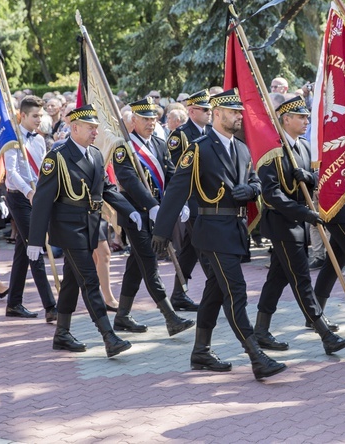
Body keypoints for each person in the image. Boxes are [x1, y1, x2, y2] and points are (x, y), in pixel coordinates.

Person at [152, 89, 286, 380]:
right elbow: (177, 190)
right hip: (211, 231)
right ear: (217, 113)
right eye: (234, 112)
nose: (239, 116)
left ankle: (201, 350)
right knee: (235, 291)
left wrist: (250, 190)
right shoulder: (199, 148)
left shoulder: (240, 148)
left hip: (234, 231)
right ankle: (255, 355)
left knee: (214, 293)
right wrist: (161, 231)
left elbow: (255, 182)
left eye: (240, 112)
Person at [27, 104, 143, 358]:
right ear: (75, 128)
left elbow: (107, 189)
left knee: (71, 281)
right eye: (91, 128)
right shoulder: (57, 156)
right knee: (90, 280)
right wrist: (35, 239)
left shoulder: (96, 154)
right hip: (67, 227)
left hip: (88, 225)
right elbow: (43, 200)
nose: (95, 132)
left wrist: (129, 209)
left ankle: (62, 333)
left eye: (96, 128)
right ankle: (108, 336)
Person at [254, 96, 345, 355]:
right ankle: (324, 332)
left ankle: (261, 330)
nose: (306, 121)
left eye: (307, 117)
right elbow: (271, 194)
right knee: (301, 279)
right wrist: (305, 213)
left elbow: (317, 177)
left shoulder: (305, 147)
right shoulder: (273, 150)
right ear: (286, 119)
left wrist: (308, 177)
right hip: (282, 223)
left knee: (277, 277)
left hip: (299, 221)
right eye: (301, 117)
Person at [111, 97, 195, 336]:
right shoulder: (124, 147)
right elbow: (129, 180)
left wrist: (179, 202)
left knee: (136, 265)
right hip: (136, 214)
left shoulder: (160, 143)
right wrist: (151, 206)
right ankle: (170, 318)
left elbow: (171, 174)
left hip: (158, 211)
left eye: (153, 118)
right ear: (134, 120)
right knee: (149, 262)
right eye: (145, 119)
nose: (150, 122)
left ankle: (123, 316)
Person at [4, 96, 58, 322]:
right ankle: (51, 306)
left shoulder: (38, 140)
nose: (39, 119)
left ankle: (14, 302)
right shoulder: (12, 138)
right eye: (35, 115)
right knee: (35, 246)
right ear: (23, 115)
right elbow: (11, 172)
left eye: (41, 115)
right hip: (19, 197)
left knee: (23, 250)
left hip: (36, 197)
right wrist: (29, 192)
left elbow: (43, 168)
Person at [165, 89, 213, 311]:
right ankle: (219, 290)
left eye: (210, 109)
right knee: (205, 247)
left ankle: (178, 295)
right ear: (192, 111)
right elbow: (178, 172)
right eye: (205, 110)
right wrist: (183, 201)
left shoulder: (211, 131)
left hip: (209, 197)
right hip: (192, 200)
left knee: (190, 250)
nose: (209, 113)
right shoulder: (180, 136)